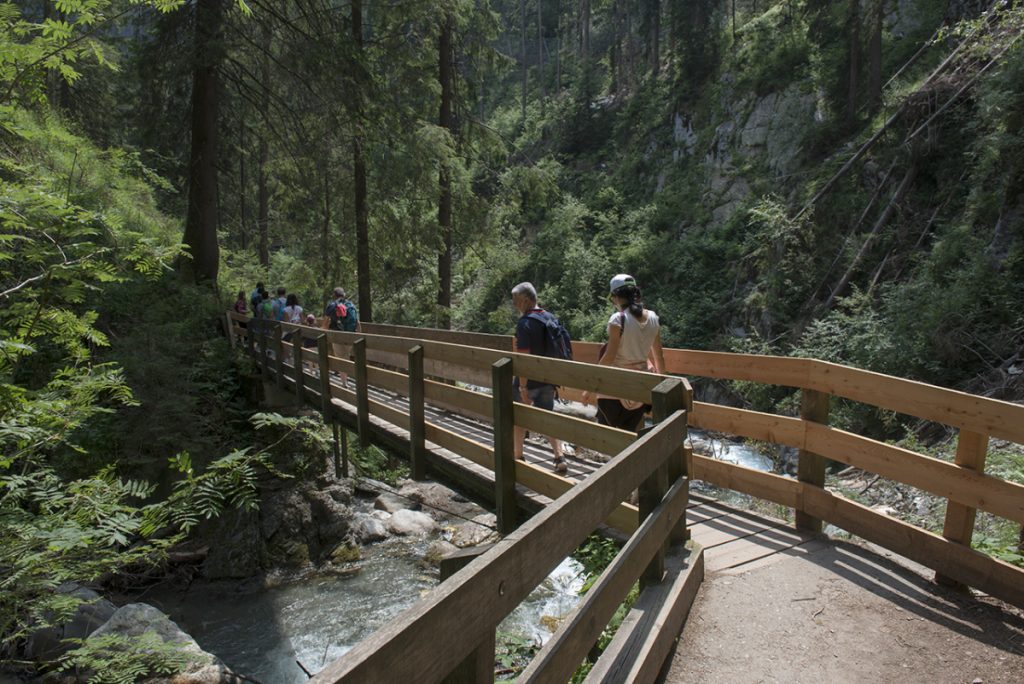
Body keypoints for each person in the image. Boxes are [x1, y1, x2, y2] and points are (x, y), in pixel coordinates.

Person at [583, 274, 665, 432]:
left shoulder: (618, 319)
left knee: (606, 437)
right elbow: (659, 357)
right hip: (639, 390)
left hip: (613, 389)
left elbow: (609, 357)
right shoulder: (653, 318)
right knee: (628, 438)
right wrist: (662, 387)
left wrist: (591, 387)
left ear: (616, 297)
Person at [511, 282, 567, 474]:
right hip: (548, 379)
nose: (514, 304)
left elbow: (523, 359)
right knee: (548, 418)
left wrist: (523, 387)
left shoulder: (525, 323)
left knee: (518, 418)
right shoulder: (550, 317)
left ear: (526, 299)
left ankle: (518, 456)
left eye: (516, 300)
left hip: (529, 380)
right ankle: (559, 456)